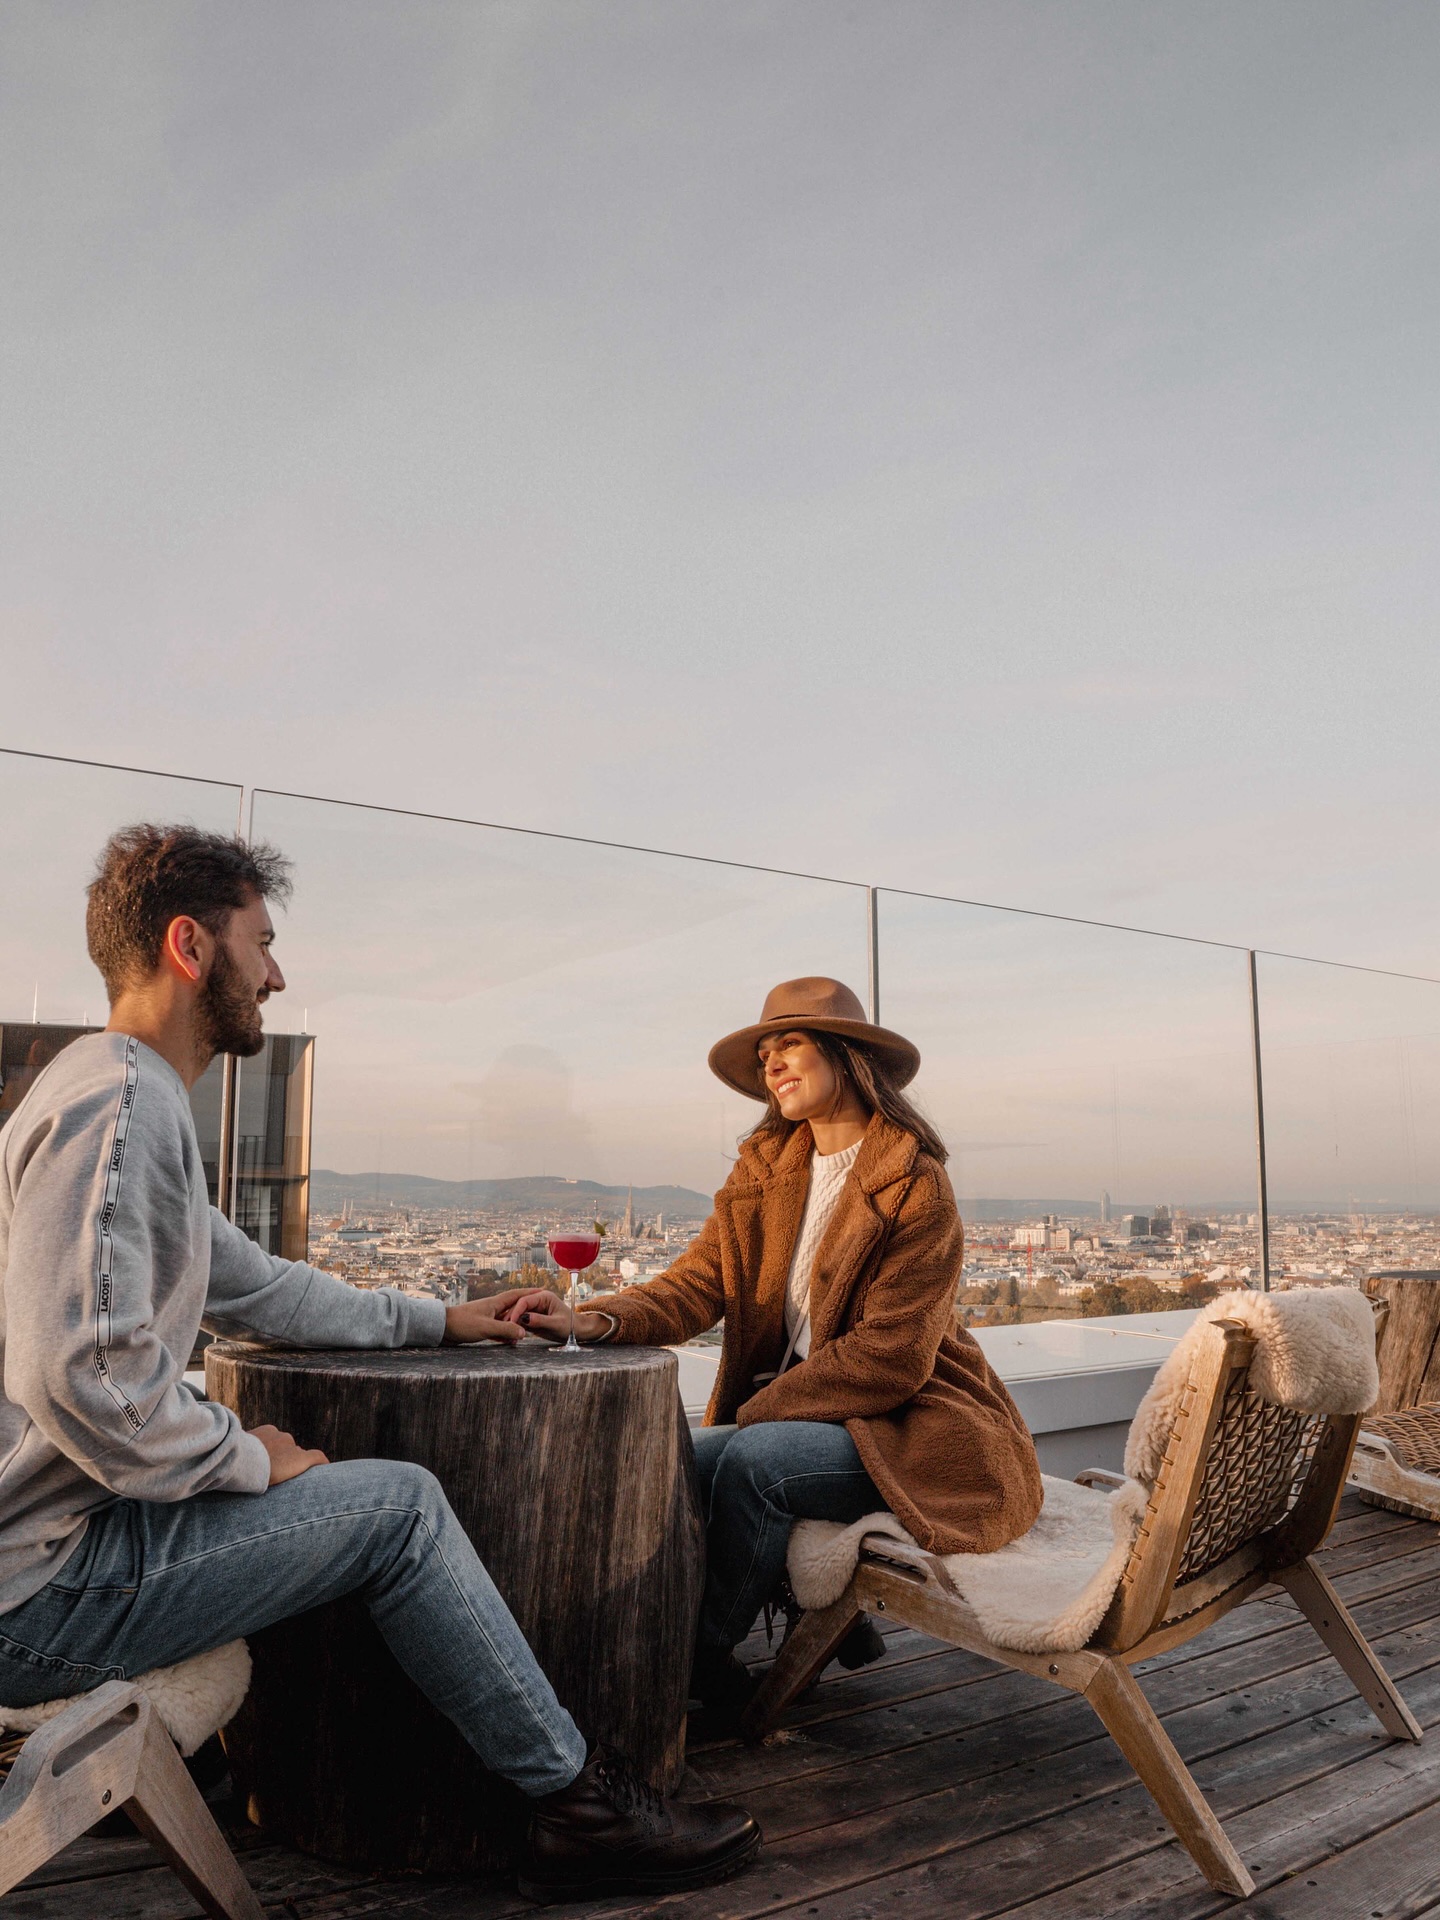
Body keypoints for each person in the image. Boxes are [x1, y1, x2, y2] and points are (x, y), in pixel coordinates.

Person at [0, 824, 758, 1902]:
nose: (276, 972)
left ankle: (263, 1773)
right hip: (37, 1596)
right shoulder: (118, 1109)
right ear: (189, 946)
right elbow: (83, 1378)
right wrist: (243, 1455)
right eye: (261, 942)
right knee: (399, 1508)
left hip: (57, 1545)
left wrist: (442, 1322)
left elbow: (256, 1284)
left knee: (370, 1499)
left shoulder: (117, 1095)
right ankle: (578, 1806)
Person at [500, 977, 1044, 1729]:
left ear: (847, 1055)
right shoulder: (762, 1174)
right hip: (805, 1416)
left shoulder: (914, 1184)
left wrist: (754, 1416)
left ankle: (685, 1669)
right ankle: (676, 1656)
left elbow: (891, 1358)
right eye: (764, 1054)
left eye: (789, 1044)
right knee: (675, 1460)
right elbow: (694, 1286)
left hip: (910, 1425)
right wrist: (586, 1321)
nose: (772, 1064)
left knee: (755, 1464)